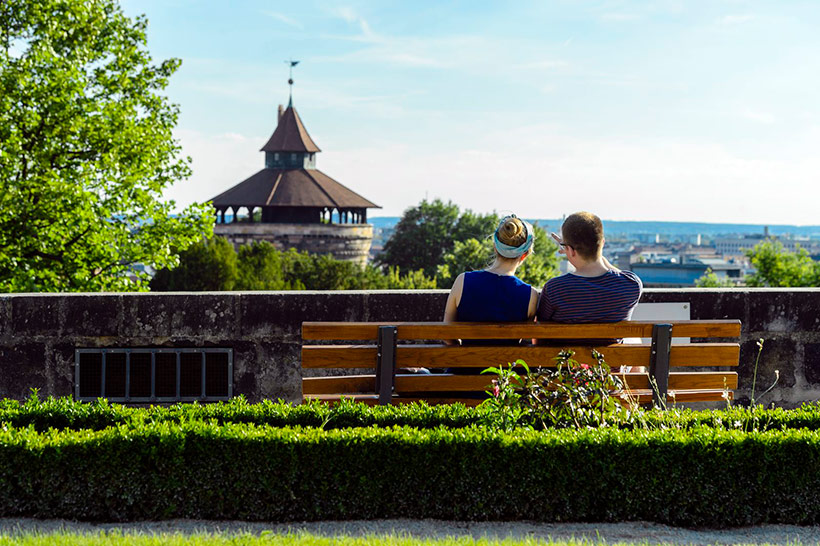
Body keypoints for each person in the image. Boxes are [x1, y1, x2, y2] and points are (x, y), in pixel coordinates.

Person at [443, 214, 539, 339]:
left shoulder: (462, 281)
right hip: (509, 359)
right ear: (524, 255)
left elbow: (446, 335)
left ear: (495, 247)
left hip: (467, 358)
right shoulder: (530, 295)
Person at [537, 211, 642, 323]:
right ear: (602, 243)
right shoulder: (631, 285)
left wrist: (569, 249)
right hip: (611, 342)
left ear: (571, 251)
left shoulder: (555, 289)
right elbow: (619, 274)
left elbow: (541, 330)